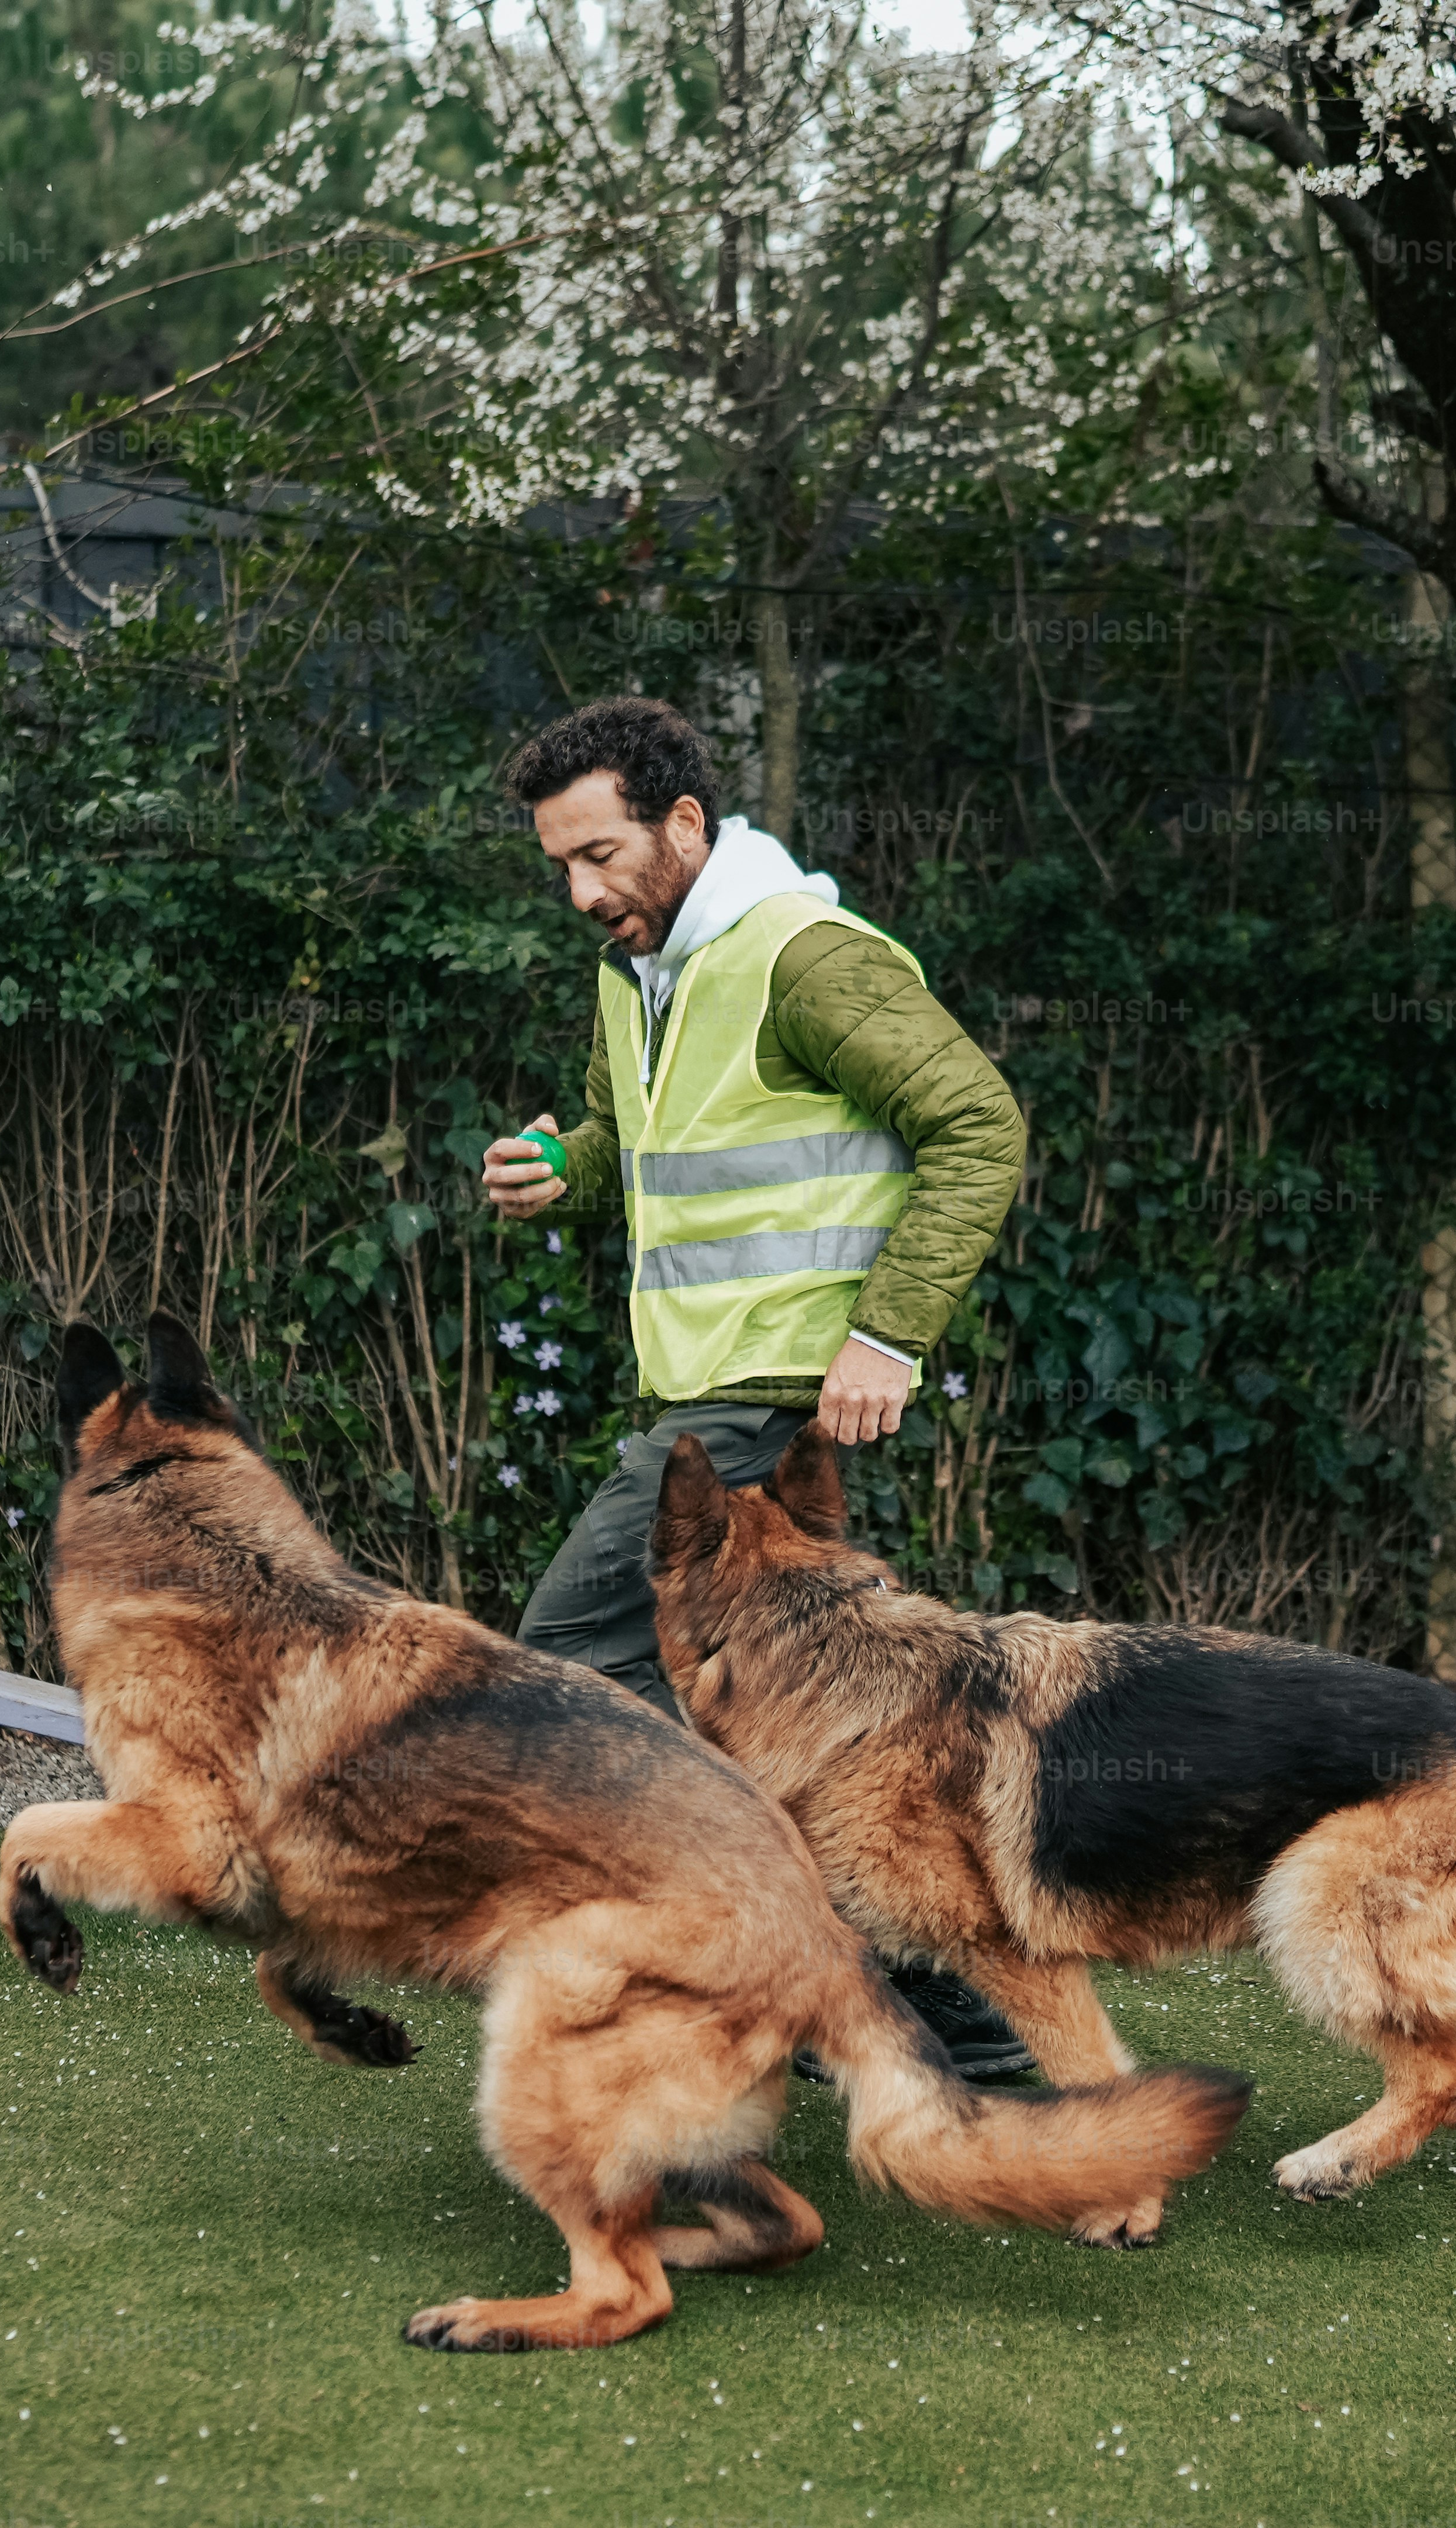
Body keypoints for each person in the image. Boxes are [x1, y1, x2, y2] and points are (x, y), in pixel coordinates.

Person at [478, 695, 1037, 2082]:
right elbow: (634, 1134)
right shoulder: (639, 973)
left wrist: (888, 1337)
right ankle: (932, 2016)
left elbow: (979, 1123)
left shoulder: (806, 956)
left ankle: (781, 1952)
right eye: (560, 863)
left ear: (684, 823)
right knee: (775, 1716)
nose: (582, 891)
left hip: (771, 1402)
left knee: (567, 1658)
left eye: (601, 853)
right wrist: (566, 1169)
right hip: (704, 1402)